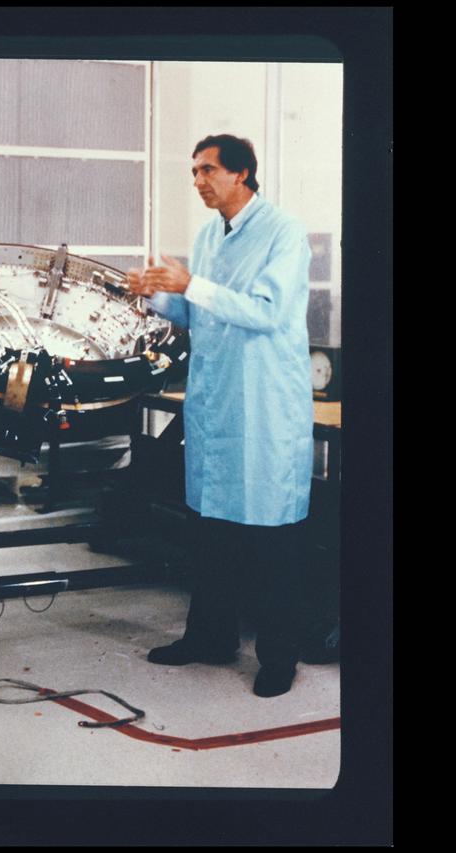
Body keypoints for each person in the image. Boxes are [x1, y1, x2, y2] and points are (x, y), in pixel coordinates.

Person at [127, 135, 313, 698]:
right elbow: (194, 309)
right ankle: (210, 637)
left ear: (243, 174)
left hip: (262, 408)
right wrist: (156, 294)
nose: (199, 180)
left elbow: (265, 311)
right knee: (211, 532)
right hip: (217, 402)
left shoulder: (284, 232)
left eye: (208, 170)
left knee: (270, 541)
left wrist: (191, 283)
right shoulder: (211, 235)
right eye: (194, 171)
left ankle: (280, 658)